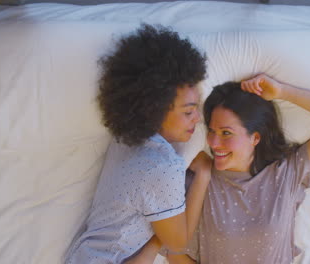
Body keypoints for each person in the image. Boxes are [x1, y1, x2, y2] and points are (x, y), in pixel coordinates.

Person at [167, 74, 310, 263]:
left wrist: (282, 91)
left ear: (255, 138)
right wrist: (203, 174)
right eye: (211, 131)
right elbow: (175, 254)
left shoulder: (286, 173)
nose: (214, 142)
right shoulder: (198, 182)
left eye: (226, 133)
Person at [65, 24, 212, 264]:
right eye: (188, 112)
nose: (197, 118)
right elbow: (177, 243)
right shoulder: (163, 167)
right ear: (155, 110)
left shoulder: (124, 139)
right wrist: (204, 174)